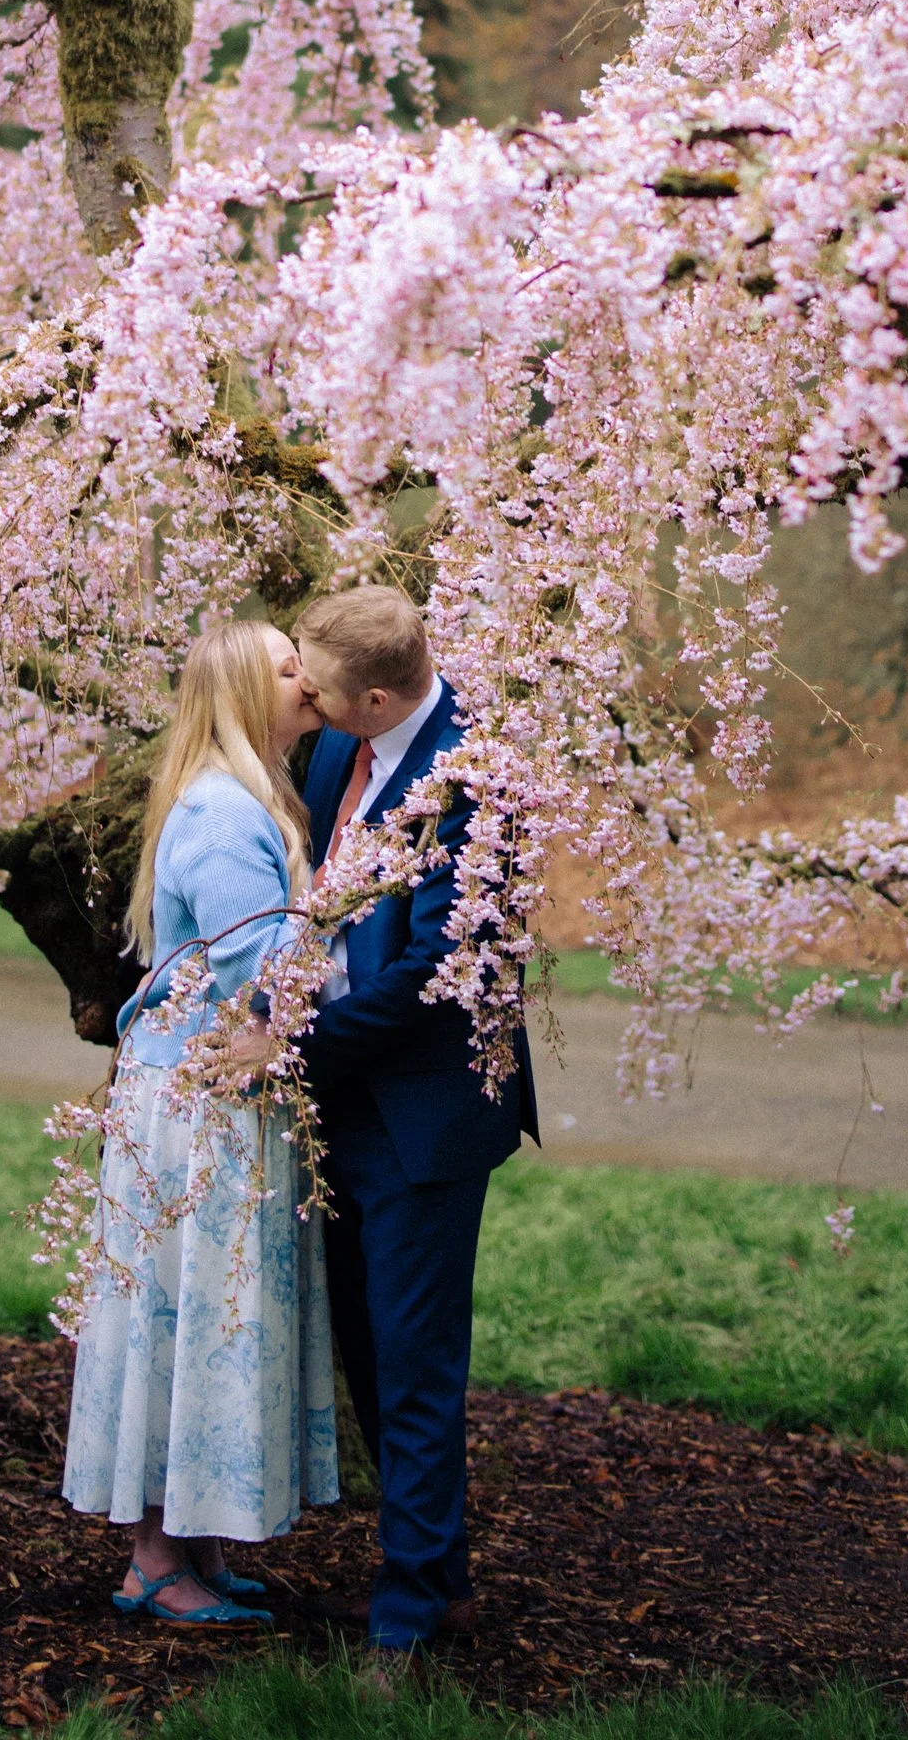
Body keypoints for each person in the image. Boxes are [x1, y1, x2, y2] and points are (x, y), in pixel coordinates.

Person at [62, 621, 338, 1624]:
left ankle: (182, 1547)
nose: (307, 676)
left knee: (188, 1318)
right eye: (284, 666)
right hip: (200, 1108)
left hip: (200, 1099)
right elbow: (261, 975)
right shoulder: (225, 814)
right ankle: (154, 1560)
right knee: (183, 1319)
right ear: (236, 694)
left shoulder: (247, 796)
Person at [287, 586, 539, 1663]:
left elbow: (436, 970)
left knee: (413, 1355)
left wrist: (294, 1048)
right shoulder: (328, 754)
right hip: (337, 1097)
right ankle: (438, 1574)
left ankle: (407, 1609)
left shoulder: (477, 779)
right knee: (363, 1345)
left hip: (420, 1114)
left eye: (315, 684)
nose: (298, 692)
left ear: (378, 696)